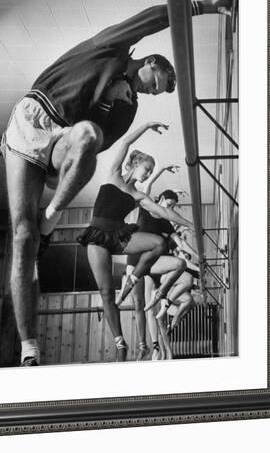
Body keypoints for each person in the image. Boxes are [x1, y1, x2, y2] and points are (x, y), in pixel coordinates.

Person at [1, 0, 230, 366]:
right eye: (157, 84)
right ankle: (30, 347)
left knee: (89, 135)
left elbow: (100, 146)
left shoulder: (127, 107)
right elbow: (155, 17)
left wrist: (110, 104)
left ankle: (55, 213)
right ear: (151, 63)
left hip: (65, 145)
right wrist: (203, 7)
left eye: (156, 93)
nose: (150, 93)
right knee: (23, 237)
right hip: (30, 121)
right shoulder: (112, 48)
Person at [76, 123, 194, 361]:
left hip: (120, 236)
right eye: (147, 169)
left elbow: (166, 214)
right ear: (135, 164)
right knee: (107, 292)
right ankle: (120, 344)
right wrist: (148, 125)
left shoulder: (139, 196)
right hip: (97, 236)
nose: (148, 174)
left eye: (151, 172)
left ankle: (134, 276)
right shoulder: (113, 175)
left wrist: (192, 225)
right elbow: (126, 142)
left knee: (158, 244)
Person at [122, 185, 199, 359]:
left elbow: (179, 242)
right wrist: (161, 169)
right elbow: (145, 187)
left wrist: (197, 255)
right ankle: (156, 346)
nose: (169, 208)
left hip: (160, 266)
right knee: (148, 308)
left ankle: (167, 347)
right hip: (143, 264)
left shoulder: (166, 223)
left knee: (186, 281)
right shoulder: (145, 208)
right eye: (168, 204)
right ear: (160, 199)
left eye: (172, 206)